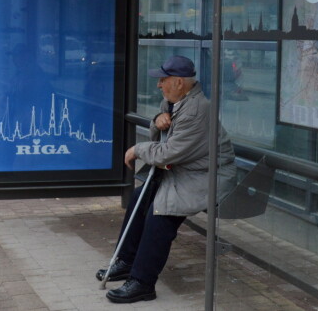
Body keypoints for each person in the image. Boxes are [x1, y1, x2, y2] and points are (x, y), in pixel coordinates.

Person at [96, 55, 234, 304]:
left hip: (204, 176)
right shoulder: (174, 101)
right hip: (181, 171)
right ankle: (126, 261)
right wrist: (157, 122)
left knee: (160, 212)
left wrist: (137, 150)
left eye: (163, 80)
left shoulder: (196, 110)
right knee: (140, 197)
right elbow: (164, 138)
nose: (159, 85)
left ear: (179, 82)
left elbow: (169, 152)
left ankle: (143, 282)